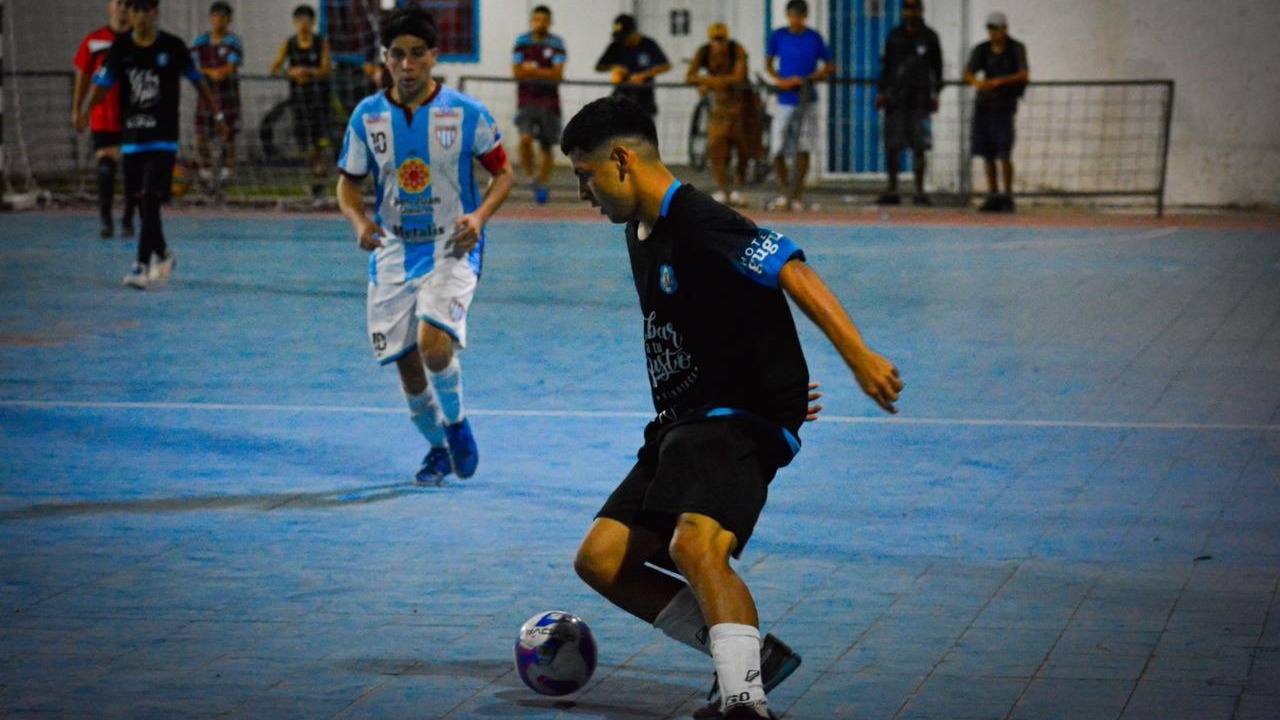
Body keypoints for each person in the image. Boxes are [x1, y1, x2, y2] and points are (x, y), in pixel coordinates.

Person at [561, 95, 903, 720]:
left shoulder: (695, 217)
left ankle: (746, 704)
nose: (582, 191)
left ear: (620, 160)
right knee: (602, 560)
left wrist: (859, 358)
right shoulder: (641, 229)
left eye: (584, 175)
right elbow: (721, 313)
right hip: (684, 421)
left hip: (726, 422)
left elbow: (791, 271)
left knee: (697, 546)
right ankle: (748, 655)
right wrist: (774, 375)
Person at [336, 7, 515, 486]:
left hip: (450, 245)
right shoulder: (367, 116)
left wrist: (479, 216)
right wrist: (358, 220)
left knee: (434, 346)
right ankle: (437, 449)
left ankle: (457, 425)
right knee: (408, 368)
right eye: (398, 55)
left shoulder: (465, 112)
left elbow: (503, 173)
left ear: (434, 56)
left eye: (418, 54)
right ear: (386, 60)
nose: (408, 64)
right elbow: (347, 185)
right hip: (392, 251)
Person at [76, 0, 227, 290]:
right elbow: (102, 84)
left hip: (163, 138)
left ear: (155, 13)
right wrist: (84, 111)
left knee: (149, 197)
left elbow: (199, 83)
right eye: (136, 10)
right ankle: (164, 253)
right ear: (130, 15)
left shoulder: (173, 46)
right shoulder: (120, 48)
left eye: (147, 10)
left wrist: (217, 114)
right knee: (140, 203)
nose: (141, 16)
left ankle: (140, 266)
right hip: (132, 138)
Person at [71, 0, 136, 239]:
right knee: (106, 168)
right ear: (110, 7)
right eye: (119, 3)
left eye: (128, 4)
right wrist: (77, 110)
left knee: (133, 171)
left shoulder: (141, 40)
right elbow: (84, 76)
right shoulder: (94, 41)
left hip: (134, 116)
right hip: (103, 114)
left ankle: (129, 219)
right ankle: (106, 220)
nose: (123, 8)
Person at [764, 0, 834, 212]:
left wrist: (812, 78)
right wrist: (781, 81)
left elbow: (830, 64)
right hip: (785, 98)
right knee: (778, 146)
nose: (795, 20)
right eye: (792, 16)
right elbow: (768, 63)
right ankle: (785, 190)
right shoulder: (778, 36)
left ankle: (797, 193)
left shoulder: (814, 37)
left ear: (805, 17)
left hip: (807, 98)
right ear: (787, 16)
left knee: (803, 145)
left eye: (799, 17)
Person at [875, 0, 943, 206]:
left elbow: (937, 69)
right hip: (895, 101)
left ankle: (919, 190)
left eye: (914, 8)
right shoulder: (894, 36)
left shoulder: (929, 37)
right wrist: (881, 92)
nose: (910, 12)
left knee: (920, 147)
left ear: (921, 10)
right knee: (893, 148)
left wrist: (935, 94)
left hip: (919, 101)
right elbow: (886, 66)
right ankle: (892, 188)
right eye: (907, 8)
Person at [686, 22, 760, 208]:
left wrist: (709, 82)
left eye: (721, 40)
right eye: (715, 40)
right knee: (716, 146)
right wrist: (714, 83)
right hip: (719, 108)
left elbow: (738, 77)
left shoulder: (737, 50)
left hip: (742, 107)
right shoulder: (704, 52)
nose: (718, 44)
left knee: (743, 148)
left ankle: (738, 188)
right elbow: (689, 76)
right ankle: (722, 188)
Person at [963, 11, 1029, 213]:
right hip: (984, 106)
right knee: (987, 153)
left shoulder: (1015, 49)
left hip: (1004, 107)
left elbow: (1024, 74)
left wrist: (1000, 81)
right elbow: (968, 73)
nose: (994, 33)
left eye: (997, 29)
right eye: (991, 29)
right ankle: (993, 194)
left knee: (1004, 152)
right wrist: (979, 84)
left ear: (1005, 29)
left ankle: (1007, 195)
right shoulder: (982, 50)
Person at [270, 4, 333, 198]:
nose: (303, 25)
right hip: (299, 100)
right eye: (300, 21)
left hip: (319, 99)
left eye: (307, 21)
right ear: (295, 23)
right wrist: (291, 72)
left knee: (320, 142)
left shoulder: (320, 43)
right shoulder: (289, 44)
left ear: (313, 22)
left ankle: (320, 179)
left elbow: (325, 69)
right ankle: (316, 177)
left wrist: (308, 72)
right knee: (305, 145)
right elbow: (274, 68)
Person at [511, 5, 566, 204]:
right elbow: (517, 72)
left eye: (544, 20)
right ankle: (530, 177)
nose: (540, 23)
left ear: (549, 22)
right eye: (536, 20)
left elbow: (558, 74)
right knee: (525, 139)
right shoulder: (522, 42)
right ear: (531, 21)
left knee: (546, 145)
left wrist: (532, 70)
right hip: (527, 100)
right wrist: (545, 72)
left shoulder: (557, 43)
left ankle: (542, 185)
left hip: (549, 102)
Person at [191, 1, 244, 185]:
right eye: (215, 16)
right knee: (200, 137)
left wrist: (215, 72)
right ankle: (205, 173)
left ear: (229, 20)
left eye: (222, 17)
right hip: (206, 98)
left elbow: (229, 68)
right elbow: (193, 66)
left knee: (228, 138)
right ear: (210, 18)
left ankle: (226, 175)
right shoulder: (201, 42)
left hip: (227, 98)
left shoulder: (233, 42)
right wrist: (208, 72)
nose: (218, 20)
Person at [594, 14, 671, 118]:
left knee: (642, 129)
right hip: (621, 98)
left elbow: (666, 65)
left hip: (644, 98)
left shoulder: (648, 44)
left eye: (625, 37)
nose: (623, 41)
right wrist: (614, 67)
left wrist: (644, 75)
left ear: (633, 32)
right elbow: (599, 66)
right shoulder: (616, 45)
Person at [318, 0, 380, 117]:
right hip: (338, 61)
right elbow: (323, 28)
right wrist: (324, 59)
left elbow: (376, 25)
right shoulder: (327, 3)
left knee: (367, 110)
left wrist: (374, 62)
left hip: (364, 62)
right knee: (346, 111)